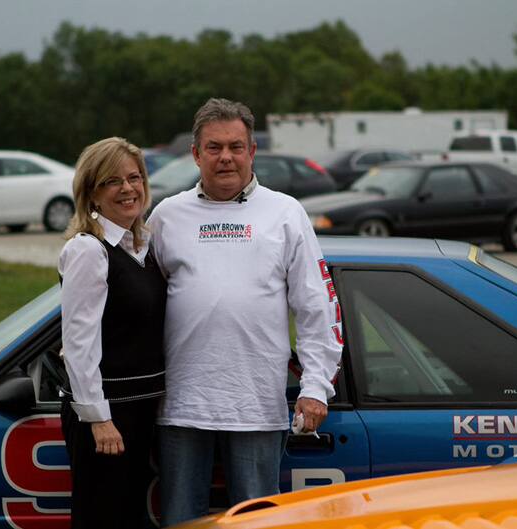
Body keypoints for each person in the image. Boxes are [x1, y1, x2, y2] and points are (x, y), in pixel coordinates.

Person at [148, 98, 342, 526]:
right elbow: (139, 302)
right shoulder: (166, 217)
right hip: (180, 405)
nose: (226, 158)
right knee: (180, 520)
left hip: (255, 405)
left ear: (252, 151)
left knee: (256, 522)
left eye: (236, 146)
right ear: (195, 154)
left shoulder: (286, 212)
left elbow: (316, 307)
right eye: (214, 148)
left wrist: (314, 386)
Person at [58, 137, 166, 529]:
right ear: (91, 193)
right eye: (112, 181)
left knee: (129, 516)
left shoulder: (142, 246)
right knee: (103, 518)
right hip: (108, 416)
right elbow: (78, 343)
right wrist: (98, 418)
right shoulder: (89, 250)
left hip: (139, 410)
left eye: (134, 178)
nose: (127, 189)